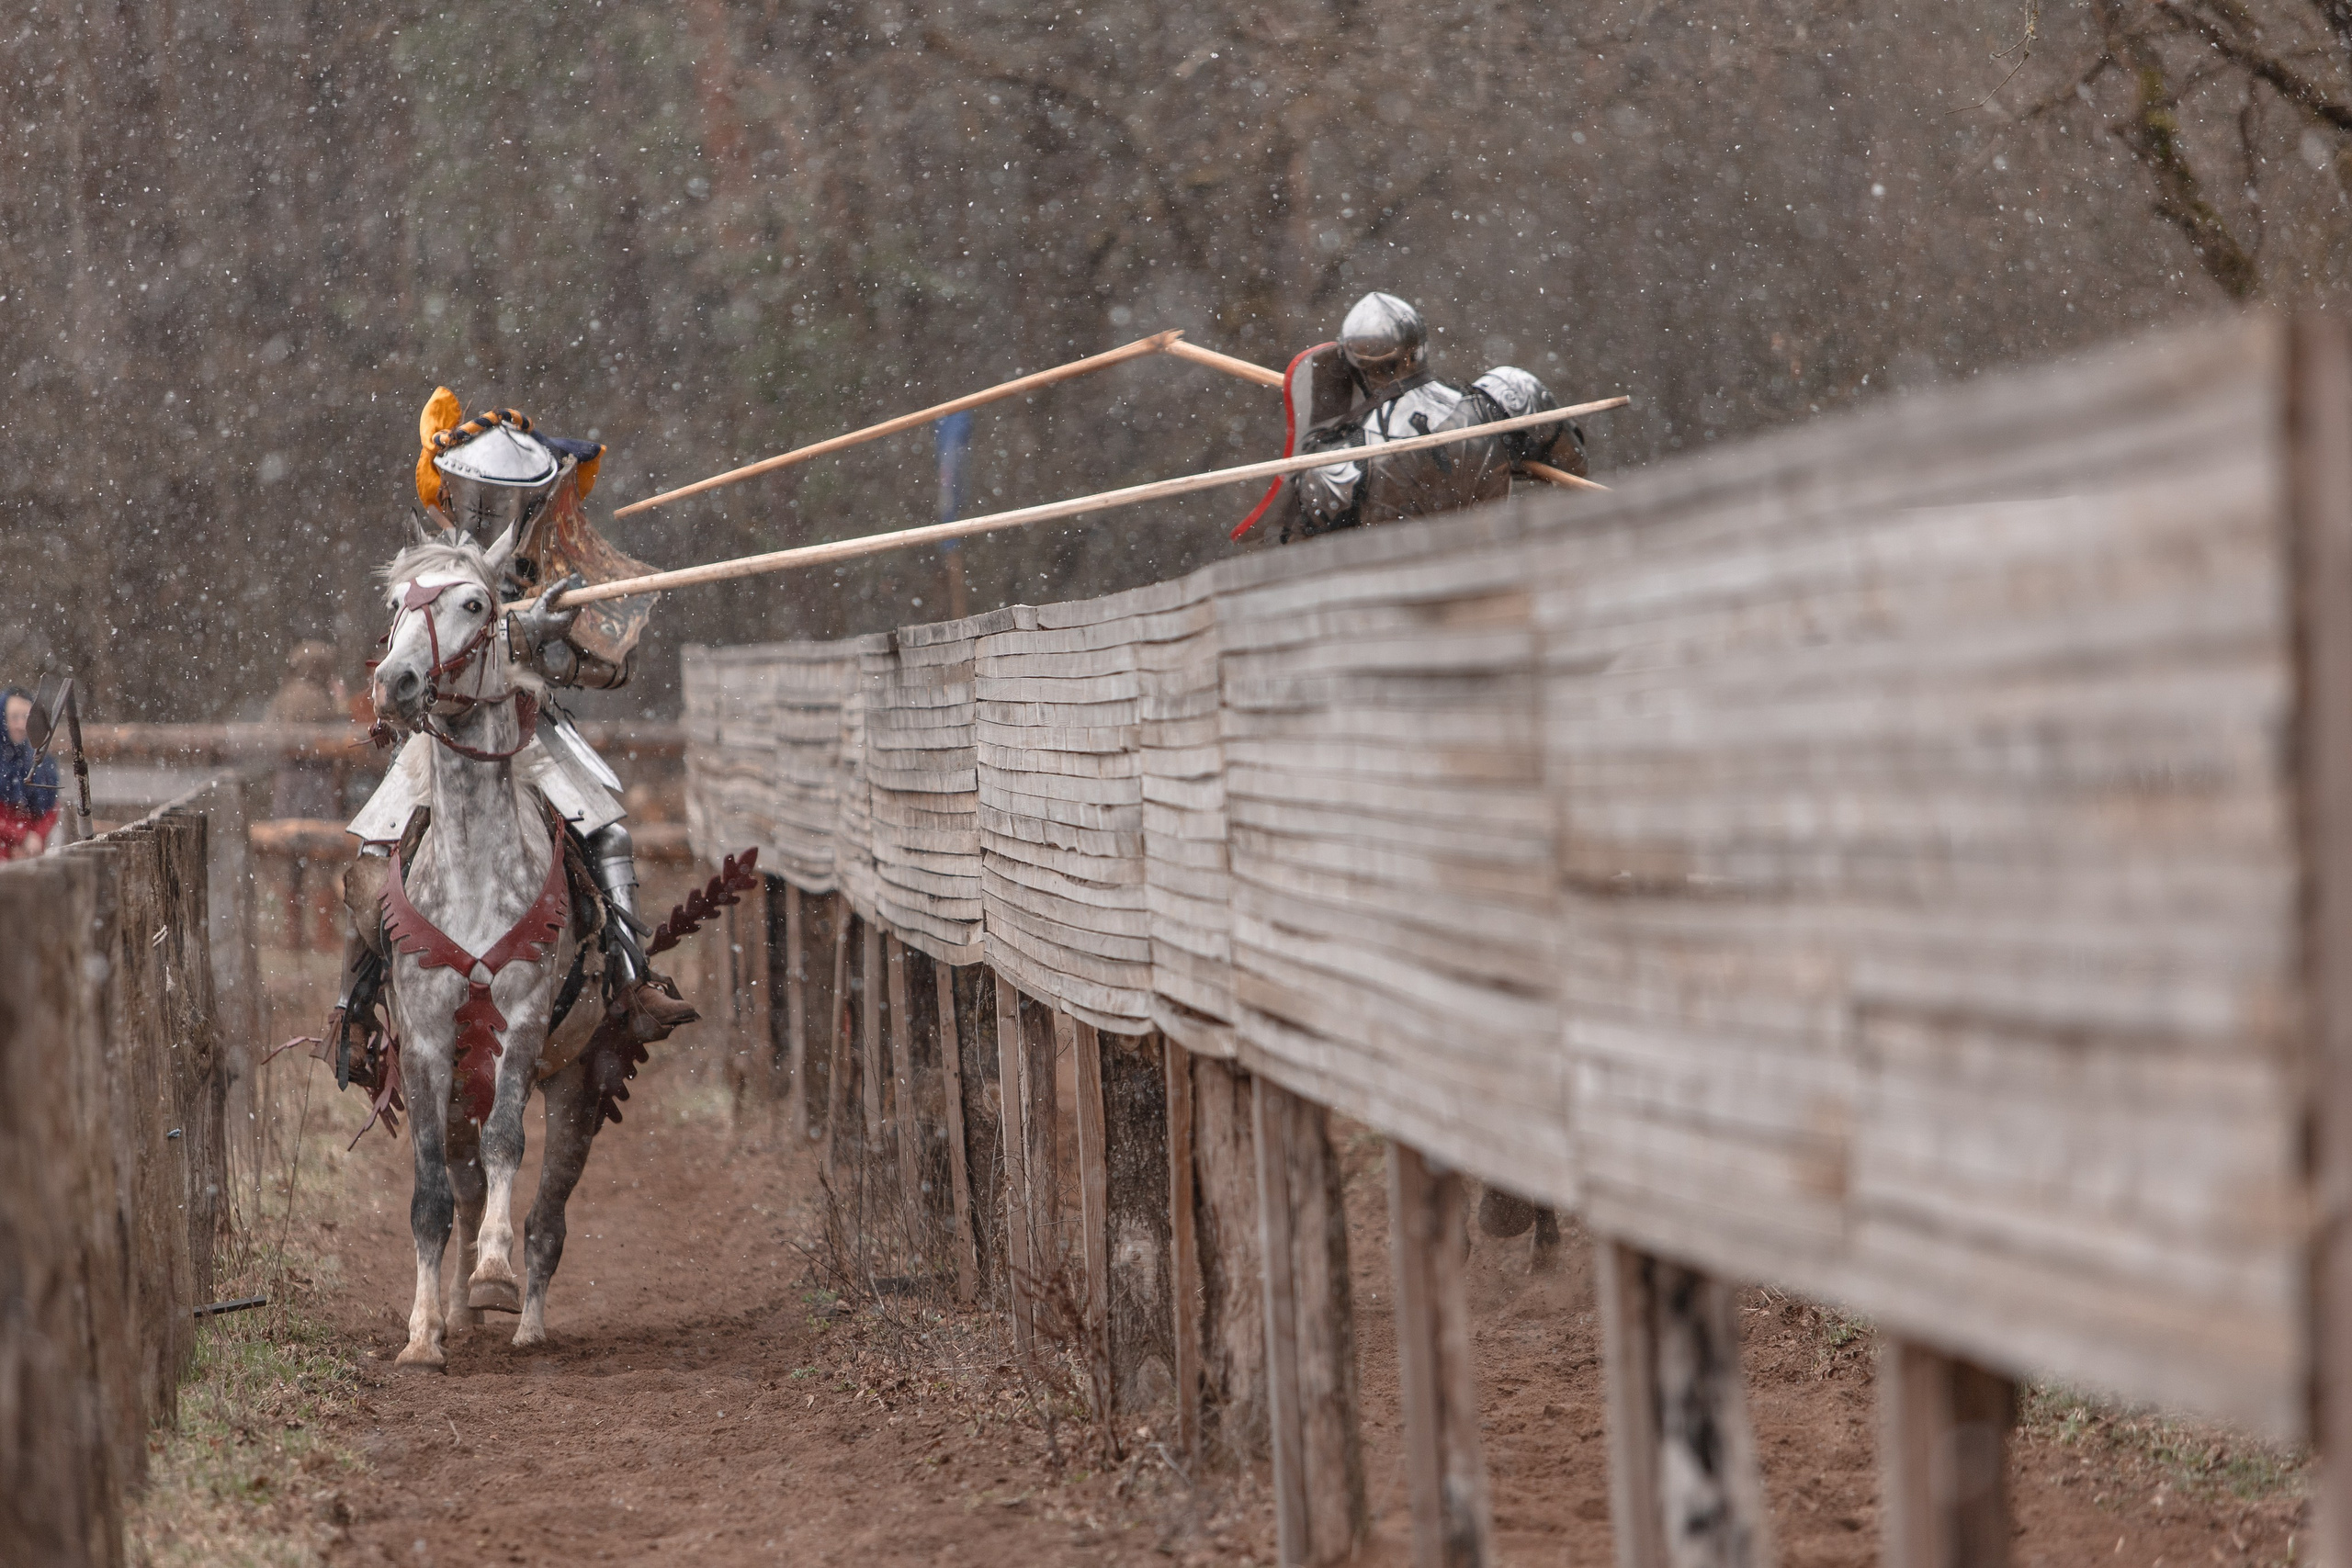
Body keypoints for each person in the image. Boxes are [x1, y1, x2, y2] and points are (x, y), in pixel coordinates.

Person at [322, 390, 694, 1089]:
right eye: (479, 494)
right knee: (376, 845)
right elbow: (415, 648)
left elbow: (613, 665)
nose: (489, 509)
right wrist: (518, 631)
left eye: (504, 497)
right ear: (454, 490)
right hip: (443, 734)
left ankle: (631, 982)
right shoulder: (433, 563)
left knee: (609, 833)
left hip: (531, 728)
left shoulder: (554, 568)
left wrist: (556, 649)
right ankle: (354, 1006)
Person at [1231, 291, 1590, 545]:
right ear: (1420, 346)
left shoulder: (1339, 462)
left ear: (1352, 366)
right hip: (1498, 572)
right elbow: (1573, 465)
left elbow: (1296, 550)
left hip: (1408, 608)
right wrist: (1505, 453)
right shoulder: (1505, 400)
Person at [0, 686, 61, 860]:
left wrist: (35, 838)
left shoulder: (41, 762)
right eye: (14, 717)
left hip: (31, 857)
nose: (21, 725)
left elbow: (51, 807)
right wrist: (20, 837)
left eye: (26, 717)